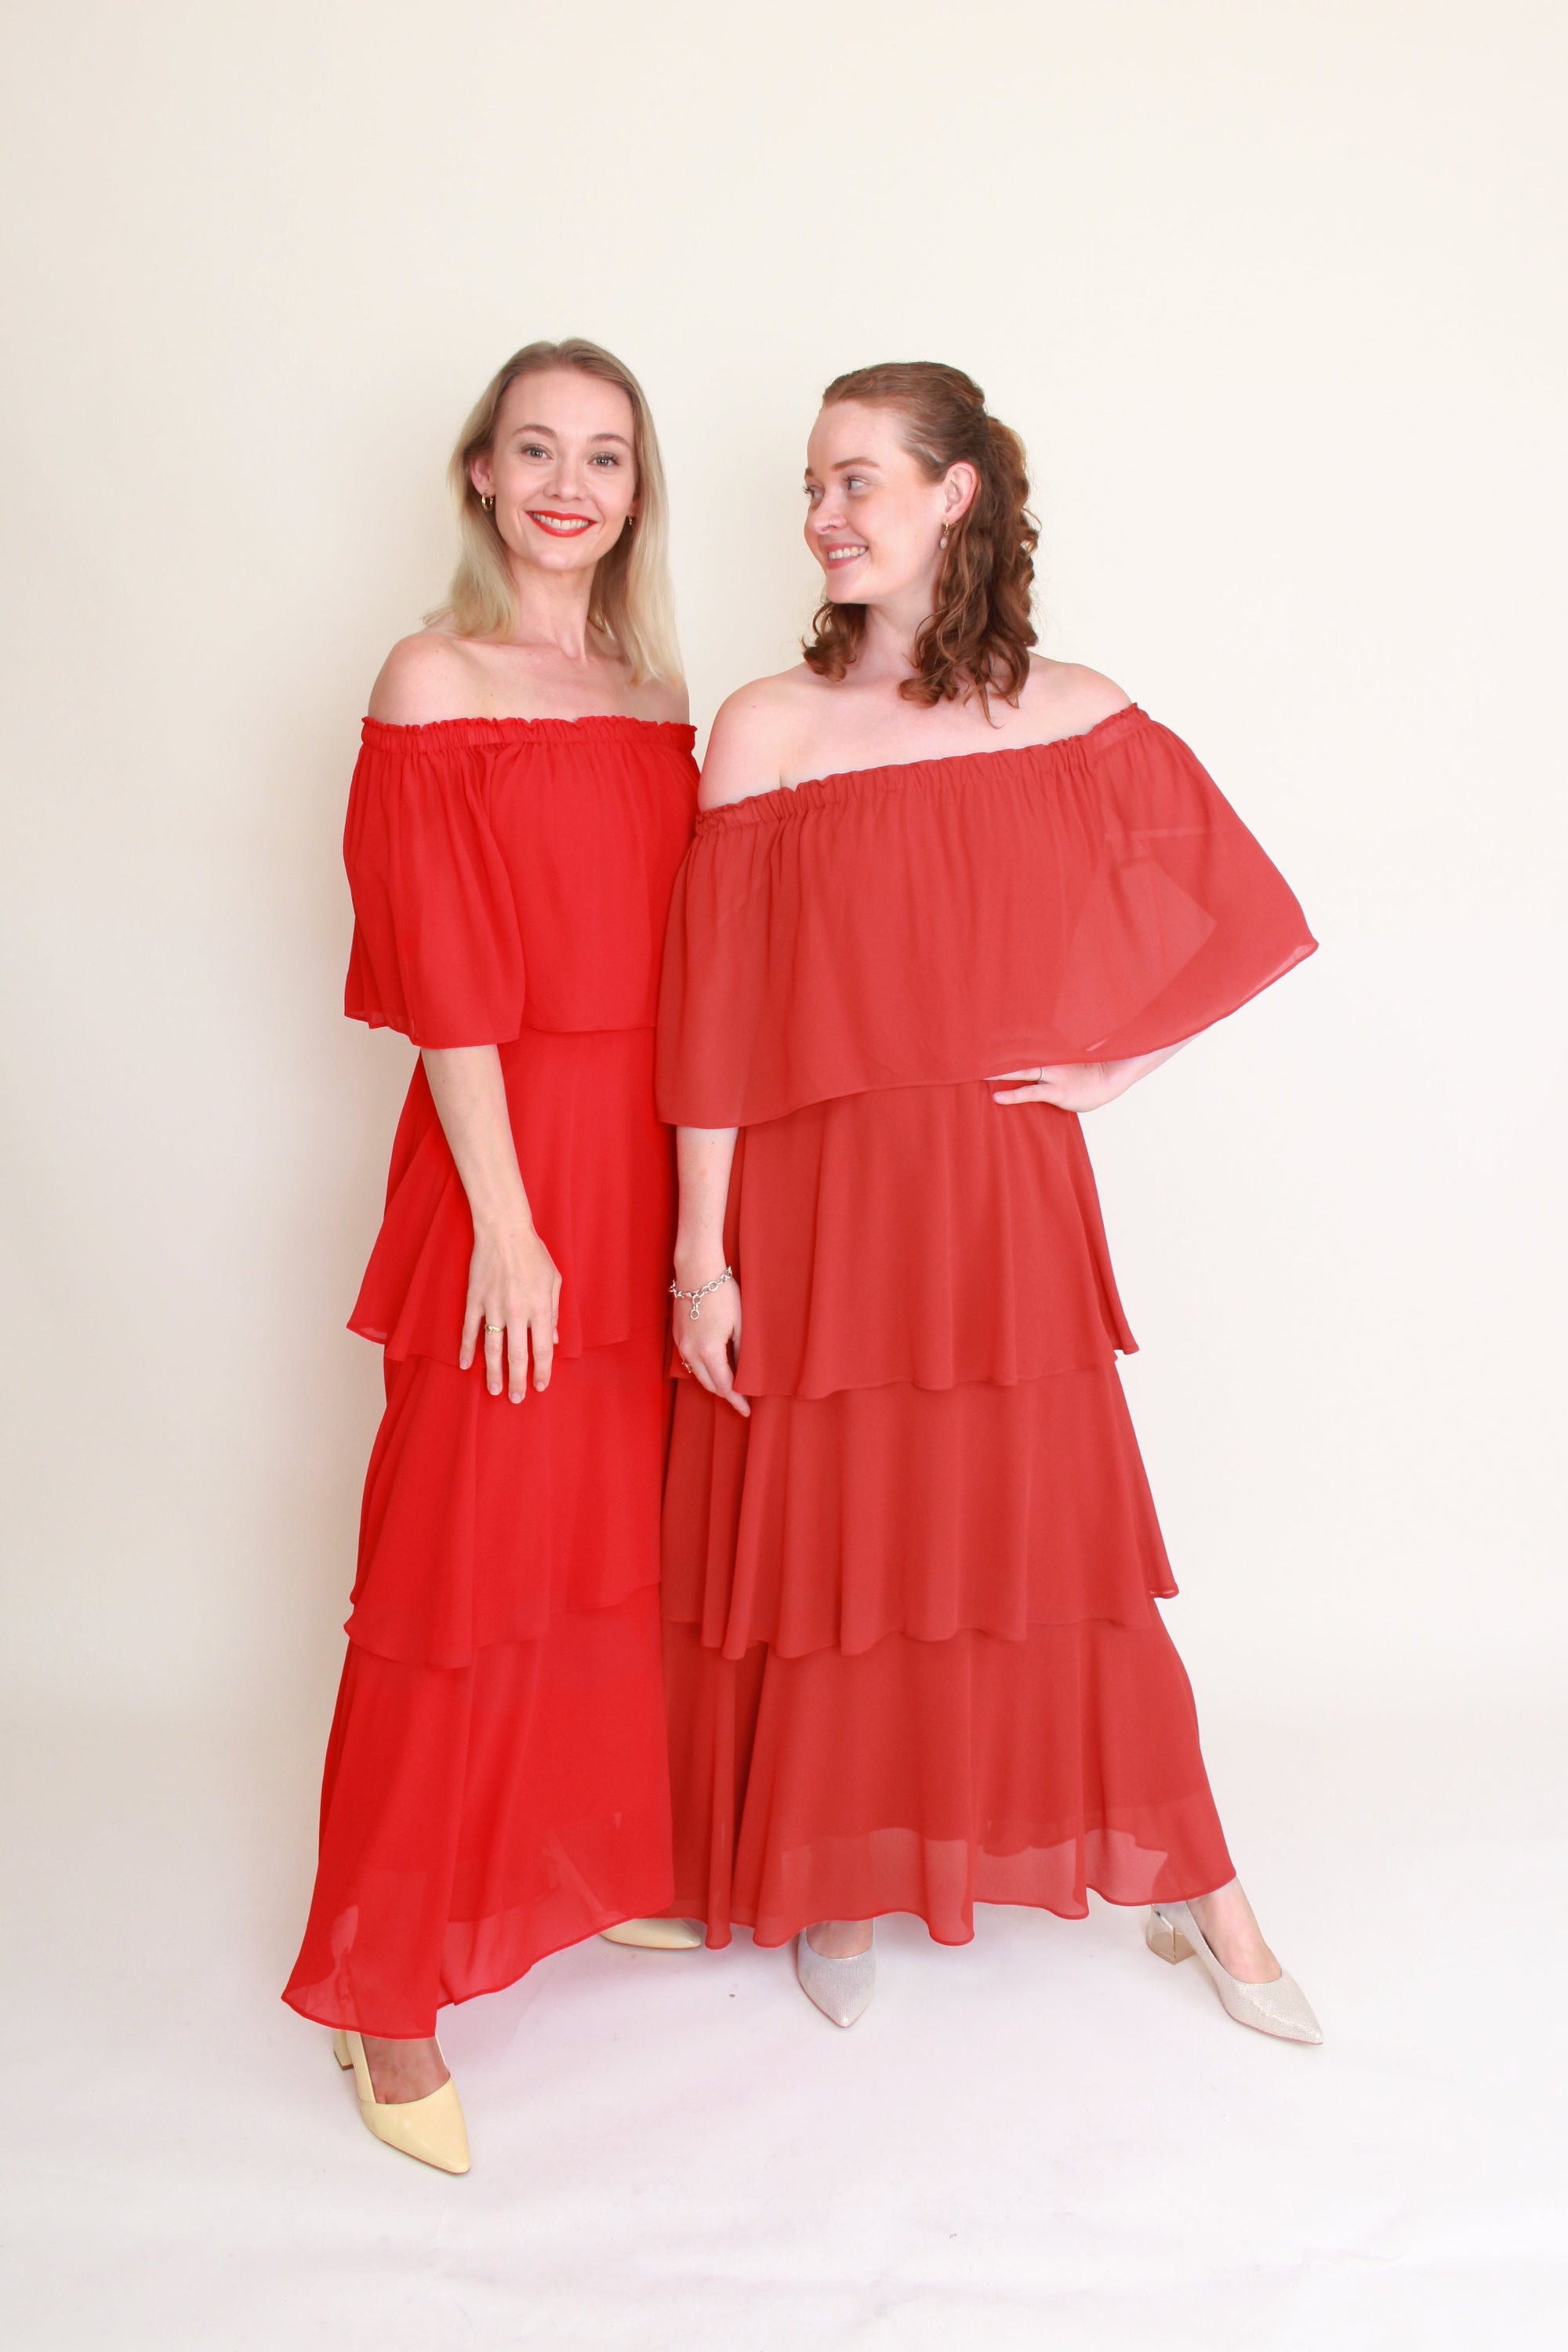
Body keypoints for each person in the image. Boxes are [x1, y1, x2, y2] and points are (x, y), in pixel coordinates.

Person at [655, 361, 1323, 2044]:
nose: (822, 515)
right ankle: (833, 1862)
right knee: (840, 1552)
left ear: (956, 494)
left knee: (1057, 1554)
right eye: (812, 484)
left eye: (858, 480)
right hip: (813, 1203)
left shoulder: (1071, 710)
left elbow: (1237, 913)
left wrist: (1109, 1069)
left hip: (999, 1197)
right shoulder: (765, 728)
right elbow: (715, 1018)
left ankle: (1200, 1890)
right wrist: (698, 1258)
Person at [284, 340, 700, 2172]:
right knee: (455, 1561)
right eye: (534, 448)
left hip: (636, 1164)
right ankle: (379, 1996)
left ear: (634, 493)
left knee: (609, 1545)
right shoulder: (428, 674)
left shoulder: (651, 684)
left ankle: (586, 1856)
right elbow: (446, 977)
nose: (567, 483)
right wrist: (511, 1229)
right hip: (503, 1173)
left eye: (602, 456)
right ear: (477, 474)